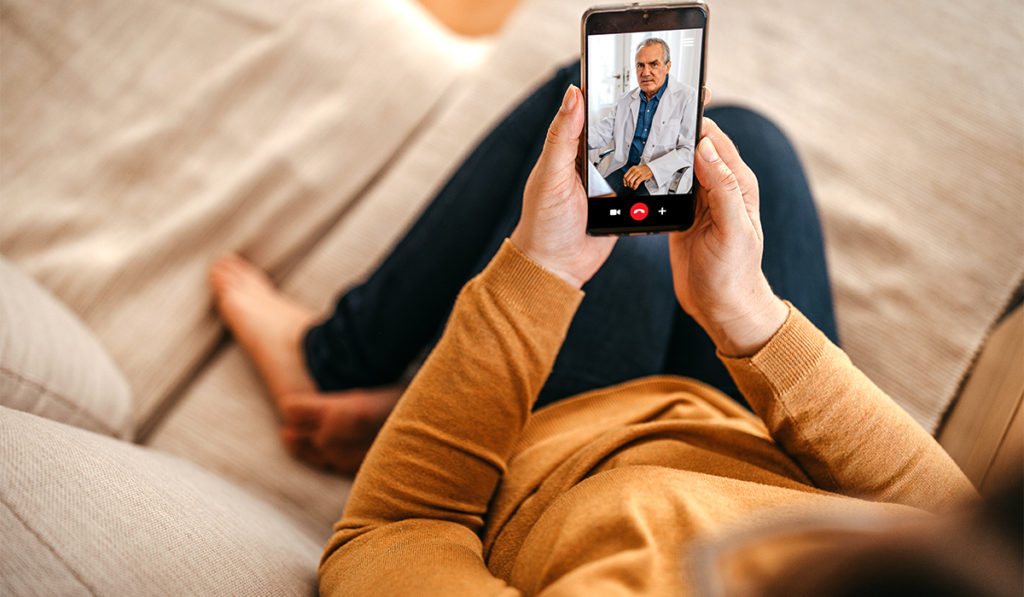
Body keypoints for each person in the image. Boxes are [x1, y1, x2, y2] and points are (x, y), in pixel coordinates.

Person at [208, 64, 978, 594]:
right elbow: (955, 524)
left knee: (589, 146)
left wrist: (539, 270)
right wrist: (747, 315)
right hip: (755, 428)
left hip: (565, 448)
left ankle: (339, 362)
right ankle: (401, 400)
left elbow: (394, 526)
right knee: (747, 146)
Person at [588, 38, 698, 196]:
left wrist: (651, 169)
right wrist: (574, 139)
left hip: (655, 178)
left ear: (668, 66)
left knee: (638, 218)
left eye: (653, 64)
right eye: (640, 65)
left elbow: (689, 149)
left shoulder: (688, 97)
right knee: (597, 203)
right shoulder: (626, 99)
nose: (645, 72)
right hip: (624, 171)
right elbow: (603, 130)